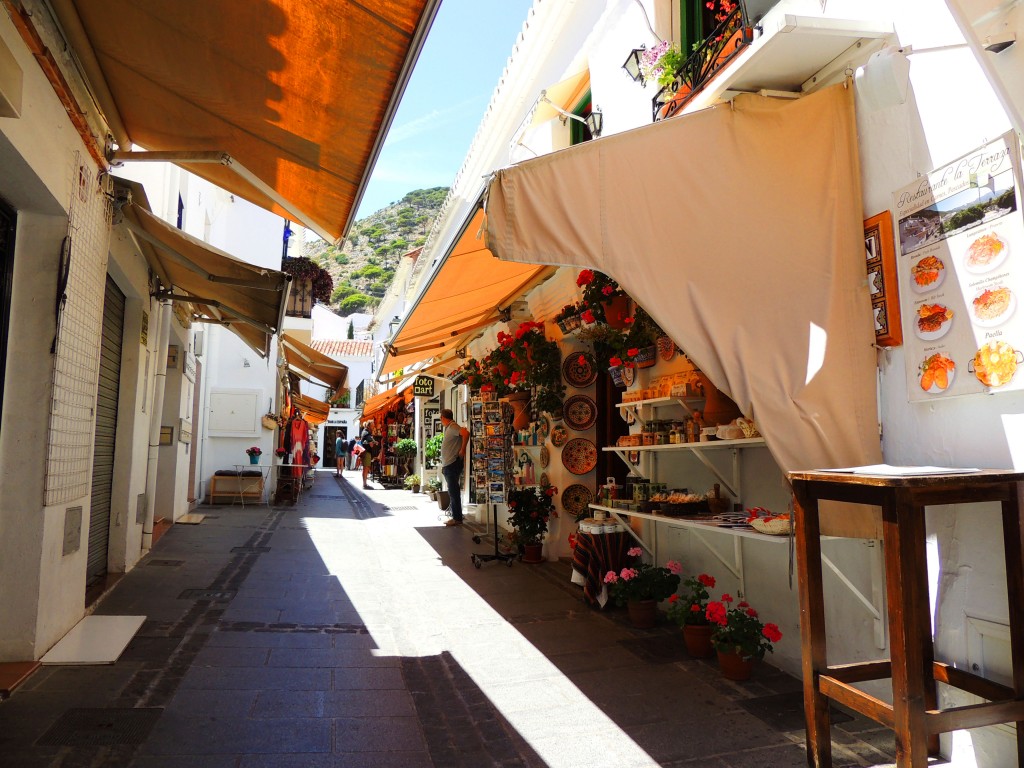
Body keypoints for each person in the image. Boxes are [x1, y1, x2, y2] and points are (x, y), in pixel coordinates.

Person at [439, 408, 469, 526]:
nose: (440, 420)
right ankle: (456, 516)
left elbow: (465, 433)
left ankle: (457, 518)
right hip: (450, 464)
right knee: (453, 491)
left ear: (443, 417)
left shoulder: (452, 427)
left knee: (453, 492)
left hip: (452, 463)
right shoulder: (450, 427)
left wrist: (463, 449)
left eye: (441, 417)